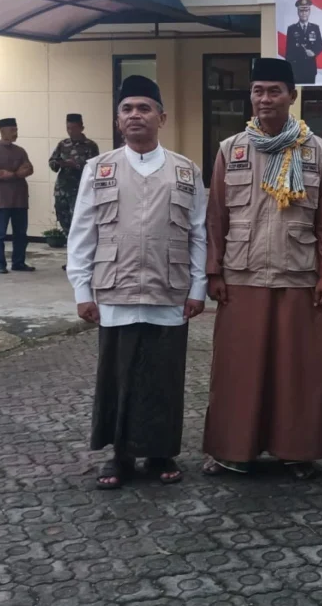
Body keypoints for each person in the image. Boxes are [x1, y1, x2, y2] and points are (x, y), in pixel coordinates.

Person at [65, 75, 207, 490]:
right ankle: (120, 454)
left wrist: (198, 288)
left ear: (162, 117)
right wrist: (81, 291)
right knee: (118, 374)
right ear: (117, 120)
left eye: (144, 108)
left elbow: (199, 233)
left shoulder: (185, 170)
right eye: (127, 109)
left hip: (169, 289)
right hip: (115, 290)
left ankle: (161, 451)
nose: (135, 116)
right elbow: (82, 233)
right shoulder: (99, 169)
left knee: (164, 375)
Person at [202, 58, 322, 479]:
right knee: (238, 369)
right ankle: (233, 449)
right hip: (241, 276)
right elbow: (215, 218)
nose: (265, 99)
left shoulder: (318, 152)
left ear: (291, 96)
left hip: (296, 276)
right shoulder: (232, 150)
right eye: (258, 90)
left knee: (298, 371)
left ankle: (296, 451)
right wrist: (213, 272)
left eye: (274, 91)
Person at [0, 118, 34, 274]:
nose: (16, 133)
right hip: (1, 200)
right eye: (12, 130)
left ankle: (18, 262)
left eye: (16, 130)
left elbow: (29, 168)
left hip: (20, 199)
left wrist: (11, 173)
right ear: (2, 131)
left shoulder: (20, 151)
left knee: (21, 234)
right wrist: (16, 173)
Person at [49, 113, 101, 233]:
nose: (71, 131)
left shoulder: (90, 146)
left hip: (79, 190)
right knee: (63, 218)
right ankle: (68, 245)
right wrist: (58, 163)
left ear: (81, 128)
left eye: (74, 128)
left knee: (78, 220)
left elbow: (94, 167)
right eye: (68, 128)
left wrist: (76, 165)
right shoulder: (63, 144)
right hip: (62, 190)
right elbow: (52, 161)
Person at [286, 0, 322, 85]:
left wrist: (314, 53)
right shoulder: (291, 29)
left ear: (309, 12)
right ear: (298, 12)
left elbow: (320, 45)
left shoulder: (315, 28)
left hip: (310, 68)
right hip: (296, 69)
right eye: (301, 11)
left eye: (306, 11)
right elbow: (288, 51)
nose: (303, 14)